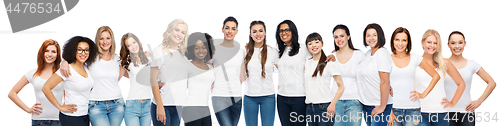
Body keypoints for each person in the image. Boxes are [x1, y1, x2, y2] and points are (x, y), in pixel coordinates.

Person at [60, 26, 127, 126]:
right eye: (101, 38)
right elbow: (75, 60)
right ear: (97, 40)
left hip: (117, 104)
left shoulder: (117, 59)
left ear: (112, 40)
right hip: (96, 105)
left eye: (108, 38)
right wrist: (64, 62)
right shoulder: (91, 57)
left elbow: (132, 74)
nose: (105, 41)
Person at [386, 27, 440, 126]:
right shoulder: (386, 59)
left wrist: (423, 94)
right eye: (397, 40)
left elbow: (436, 76)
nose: (400, 43)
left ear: (408, 42)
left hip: (413, 109)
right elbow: (380, 83)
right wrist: (388, 111)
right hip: (393, 109)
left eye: (404, 40)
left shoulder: (415, 58)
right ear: (393, 41)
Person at [42, 36, 99, 126]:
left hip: (84, 115)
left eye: (86, 50)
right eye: (79, 49)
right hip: (71, 116)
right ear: (73, 51)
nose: (83, 53)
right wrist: (60, 107)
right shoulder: (67, 69)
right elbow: (46, 88)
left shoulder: (87, 67)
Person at [445, 31, 496, 126]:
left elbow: (492, 83)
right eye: (453, 43)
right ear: (448, 45)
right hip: (446, 113)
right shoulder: (442, 64)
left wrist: (479, 101)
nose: (457, 46)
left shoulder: (472, 64)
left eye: (460, 42)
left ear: (465, 44)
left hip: (467, 113)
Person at [415, 29, 465, 126]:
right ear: (422, 43)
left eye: (435, 43)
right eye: (429, 42)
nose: (432, 45)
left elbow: (461, 84)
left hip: (441, 113)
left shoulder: (444, 63)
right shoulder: (415, 63)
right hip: (420, 112)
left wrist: (452, 103)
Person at [8, 39, 62, 126]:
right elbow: (12, 93)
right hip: (39, 121)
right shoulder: (32, 73)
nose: (49, 54)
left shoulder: (62, 73)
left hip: (59, 120)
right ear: (42, 53)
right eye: (46, 51)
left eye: (53, 51)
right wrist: (28, 109)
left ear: (57, 54)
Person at [150, 19, 189, 126]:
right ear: (170, 30)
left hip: (178, 105)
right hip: (163, 104)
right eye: (177, 30)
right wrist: (159, 106)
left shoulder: (183, 55)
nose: (179, 34)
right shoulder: (159, 50)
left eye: (183, 32)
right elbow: (153, 79)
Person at [303, 32, 344, 126]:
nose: (313, 45)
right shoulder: (306, 63)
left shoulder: (330, 63)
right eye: (310, 43)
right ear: (307, 47)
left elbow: (341, 86)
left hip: (325, 107)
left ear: (322, 43)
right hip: (309, 107)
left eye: (316, 42)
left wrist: (332, 104)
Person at [242, 20, 278, 126]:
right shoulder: (244, 51)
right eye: (254, 31)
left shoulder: (273, 51)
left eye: (261, 31)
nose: (258, 34)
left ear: (265, 33)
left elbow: (283, 67)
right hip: (249, 96)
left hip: (268, 97)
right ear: (250, 34)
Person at [356, 23, 392, 126]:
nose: (371, 38)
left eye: (374, 35)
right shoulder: (368, 54)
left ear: (380, 36)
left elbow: (385, 81)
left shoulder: (382, 54)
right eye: (368, 35)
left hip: (379, 106)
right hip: (367, 105)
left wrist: (382, 106)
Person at [275, 20, 310, 126]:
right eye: (281, 31)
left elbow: (318, 60)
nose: (283, 33)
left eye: (286, 30)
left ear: (293, 31)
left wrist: (333, 56)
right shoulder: (279, 52)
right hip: (282, 98)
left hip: (299, 98)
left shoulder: (304, 49)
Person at [211, 16, 244, 126]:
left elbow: (243, 75)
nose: (230, 31)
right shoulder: (214, 49)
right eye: (227, 28)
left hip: (237, 97)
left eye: (233, 29)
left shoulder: (241, 52)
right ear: (222, 29)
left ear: (236, 31)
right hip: (219, 96)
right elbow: (202, 65)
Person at [330, 24, 364, 126]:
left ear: (348, 36)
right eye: (336, 37)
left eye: (342, 36)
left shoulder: (359, 55)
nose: (339, 39)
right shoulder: (332, 56)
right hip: (336, 101)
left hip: (354, 102)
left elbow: (369, 74)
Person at [119, 33, 152, 126]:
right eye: (129, 45)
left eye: (134, 42)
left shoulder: (148, 59)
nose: (133, 46)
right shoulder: (126, 62)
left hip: (148, 105)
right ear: (126, 48)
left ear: (138, 42)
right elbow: (116, 78)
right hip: (133, 106)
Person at [183, 32, 215, 126]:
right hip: (191, 108)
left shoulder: (210, 68)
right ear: (191, 49)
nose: (201, 51)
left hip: (205, 108)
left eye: (204, 47)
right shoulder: (188, 66)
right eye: (197, 48)